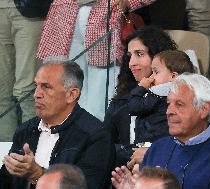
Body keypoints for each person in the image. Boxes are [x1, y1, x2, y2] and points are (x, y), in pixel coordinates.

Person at [0, 61, 115, 189]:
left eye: (46, 87)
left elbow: (89, 186)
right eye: (36, 86)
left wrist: (38, 175)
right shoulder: (25, 130)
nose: (36, 94)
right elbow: (5, 181)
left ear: (71, 95)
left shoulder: (95, 135)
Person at [112, 73, 210, 188]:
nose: (169, 111)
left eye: (179, 104)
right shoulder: (156, 148)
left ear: (204, 109)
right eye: (168, 104)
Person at [37, 0, 155, 121]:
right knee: (68, 84)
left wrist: (129, 2)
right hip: (65, 14)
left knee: (101, 92)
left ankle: (100, 135)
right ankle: (72, 134)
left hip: (105, 14)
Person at [103, 26, 177, 167]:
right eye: (130, 56)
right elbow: (104, 145)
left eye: (140, 54)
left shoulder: (179, 99)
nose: (131, 63)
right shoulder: (121, 101)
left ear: (159, 56)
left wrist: (152, 153)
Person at [128, 50, 195, 145]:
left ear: (173, 76)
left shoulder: (159, 93)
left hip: (151, 143)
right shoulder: (186, 93)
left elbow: (134, 107)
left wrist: (141, 88)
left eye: (156, 72)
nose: (151, 77)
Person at [0, 0, 43, 142]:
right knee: (2, 91)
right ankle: (6, 154)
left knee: (27, 90)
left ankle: (30, 149)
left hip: (28, 11)